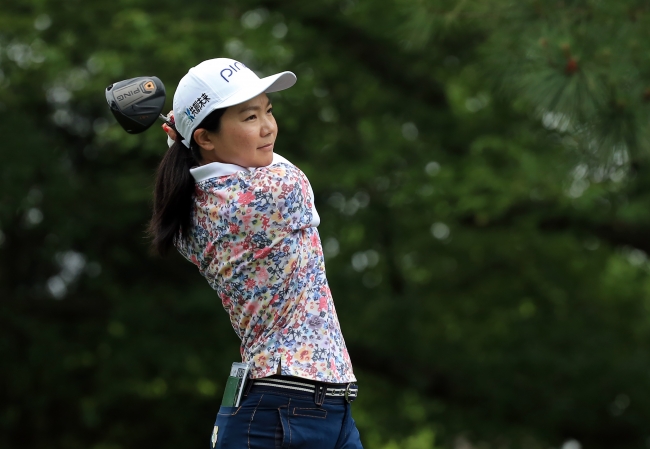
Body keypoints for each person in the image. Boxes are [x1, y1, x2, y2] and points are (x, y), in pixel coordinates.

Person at [149, 58, 363, 449]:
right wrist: (180, 135)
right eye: (249, 117)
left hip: (310, 406)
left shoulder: (190, 206)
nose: (268, 128)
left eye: (268, 110)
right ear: (205, 138)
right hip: (285, 410)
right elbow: (290, 176)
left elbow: (213, 160)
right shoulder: (270, 192)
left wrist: (182, 137)